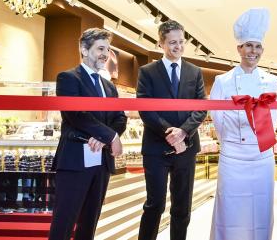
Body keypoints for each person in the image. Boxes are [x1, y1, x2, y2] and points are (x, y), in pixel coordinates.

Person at [209, 8, 277, 240]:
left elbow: (274, 119)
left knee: (261, 208)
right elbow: (217, 118)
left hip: (262, 156)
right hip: (233, 156)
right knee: (229, 208)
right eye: (249, 45)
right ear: (239, 48)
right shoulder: (223, 81)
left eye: (258, 46)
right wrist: (231, 143)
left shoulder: (272, 81)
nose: (253, 51)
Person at [49, 28, 127, 240]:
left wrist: (104, 137)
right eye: (100, 48)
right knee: (63, 223)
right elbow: (76, 115)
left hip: (101, 161)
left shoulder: (109, 87)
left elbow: (120, 118)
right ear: (84, 49)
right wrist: (110, 137)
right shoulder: (68, 78)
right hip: (75, 160)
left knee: (89, 223)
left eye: (107, 49)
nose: (105, 54)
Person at [137, 20, 207, 240]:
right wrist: (171, 133)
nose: (178, 46)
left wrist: (184, 132)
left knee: (182, 207)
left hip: (186, 149)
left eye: (181, 42)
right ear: (161, 43)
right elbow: (145, 108)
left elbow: (201, 108)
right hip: (156, 148)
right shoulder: (147, 72)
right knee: (154, 205)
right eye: (172, 42)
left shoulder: (194, 71)